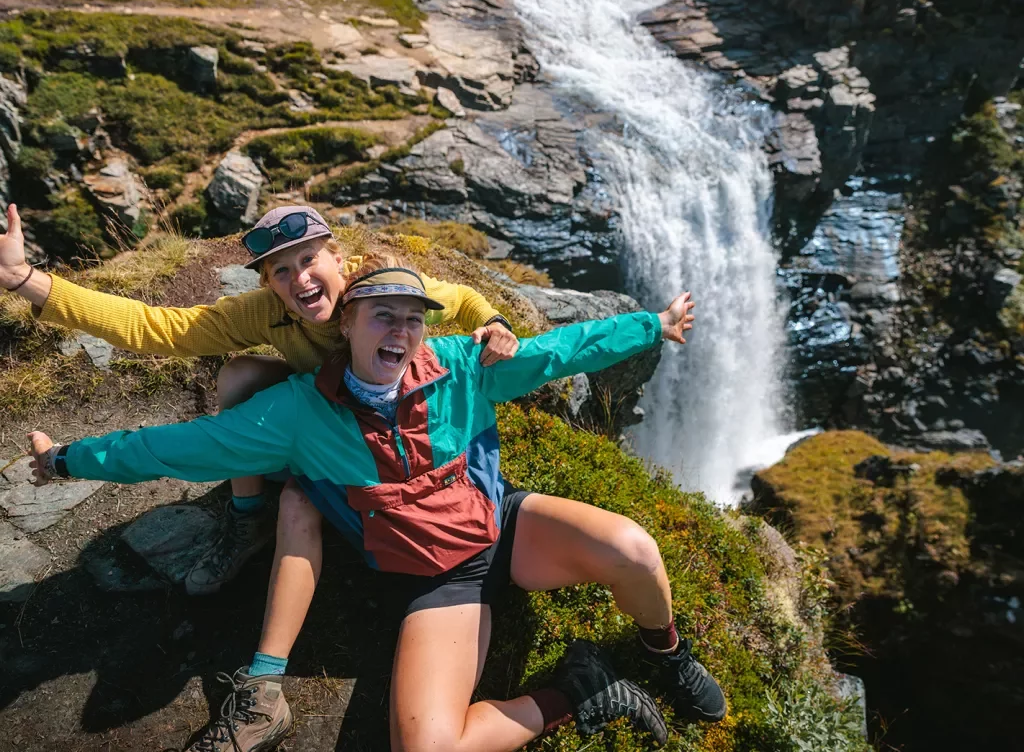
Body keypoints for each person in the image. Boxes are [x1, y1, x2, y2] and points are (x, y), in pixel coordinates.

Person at [28, 260, 726, 752]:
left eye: (412, 320)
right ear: (349, 326)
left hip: (503, 526)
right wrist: (66, 460)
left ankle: (664, 651)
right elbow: (175, 448)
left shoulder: (458, 364)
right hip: (439, 583)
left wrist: (651, 325)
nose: (400, 330)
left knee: (634, 548)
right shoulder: (298, 414)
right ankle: (580, 687)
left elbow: (558, 352)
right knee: (429, 748)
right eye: (381, 316)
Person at [0, 203, 520, 596]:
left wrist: (493, 324)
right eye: (281, 271)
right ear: (269, 284)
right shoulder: (264, 311)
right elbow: (156, 327)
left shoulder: (381, 289)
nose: (301, 279)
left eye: (309, 259)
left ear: (339, 258)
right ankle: (248, 516)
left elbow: (464, 298)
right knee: (239, 376)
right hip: (320, 414)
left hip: (391, 425)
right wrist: (25, 280)